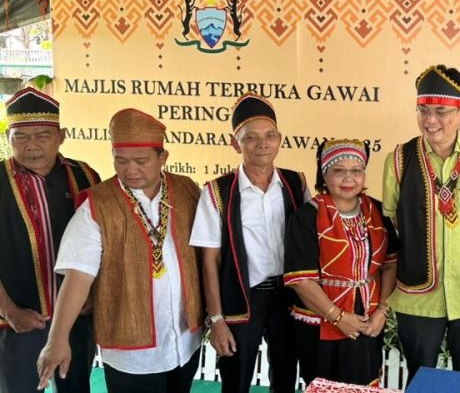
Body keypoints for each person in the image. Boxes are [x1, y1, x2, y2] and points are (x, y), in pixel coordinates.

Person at [37, 108, 203, 393]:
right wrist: (57, 339)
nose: (130, 170)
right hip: (130, 350)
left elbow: (208, 255)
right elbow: (78, 277)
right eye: (120, 160)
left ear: (163, 157)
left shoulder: (186, 190)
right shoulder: (97, 205)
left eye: (141, 161)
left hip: (186, 339)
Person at [382, 64, 460, 381]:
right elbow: (393, 219)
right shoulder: (399, 158)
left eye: (441, 111)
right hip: (418, 296)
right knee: (421, 379)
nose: (430, 120)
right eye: (423, 110)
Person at [190, 93, 314, 393]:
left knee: (286, 375)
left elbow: (310, 242)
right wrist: (217, 320)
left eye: (270, 135)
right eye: (251, 137)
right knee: (236, 378)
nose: (263, 143)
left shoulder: (296, 183)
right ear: (235, 143)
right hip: (242, 298)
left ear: (280, 140)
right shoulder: (217, 192)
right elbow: (210, 261)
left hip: (288, 297)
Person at [0, 87, 99, 393]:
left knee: (76, 387)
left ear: (62, 136)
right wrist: (9, 311)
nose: (31, 146)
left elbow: (103, 244)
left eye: (43, 135)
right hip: (20, 322)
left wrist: (94, 294)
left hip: (77, 318)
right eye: (20, 137)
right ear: (8, 138)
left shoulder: (85, 176)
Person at [284, 139, 398, 385]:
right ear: (324, 175)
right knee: (325, 385)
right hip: (319, 320)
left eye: (356, 171)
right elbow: (301, 281)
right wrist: (338, 318)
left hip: (368, 318)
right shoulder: (306, 217)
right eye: (339, 171)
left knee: (364, 384)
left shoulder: (378, 211)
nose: (349, 178)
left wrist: (382, 312)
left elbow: (390, 264)